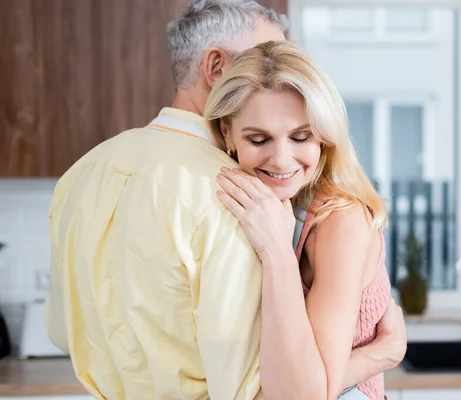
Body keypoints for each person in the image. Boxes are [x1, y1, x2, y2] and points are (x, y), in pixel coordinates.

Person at [45, 1, 406, 399]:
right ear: (218, 72)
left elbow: (64, 332)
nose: (274, 67)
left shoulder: (81, 174)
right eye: (261, 57)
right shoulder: (228, 195)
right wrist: (378, 355)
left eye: (301, 136)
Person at [206, 40, 401, 400]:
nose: (282, 160)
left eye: (301, 137)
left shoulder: (341, 219)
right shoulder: (260, 205)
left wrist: (277, 252)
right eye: (259, 139)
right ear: (227, 134)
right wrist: (378, 355)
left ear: (324, 136)